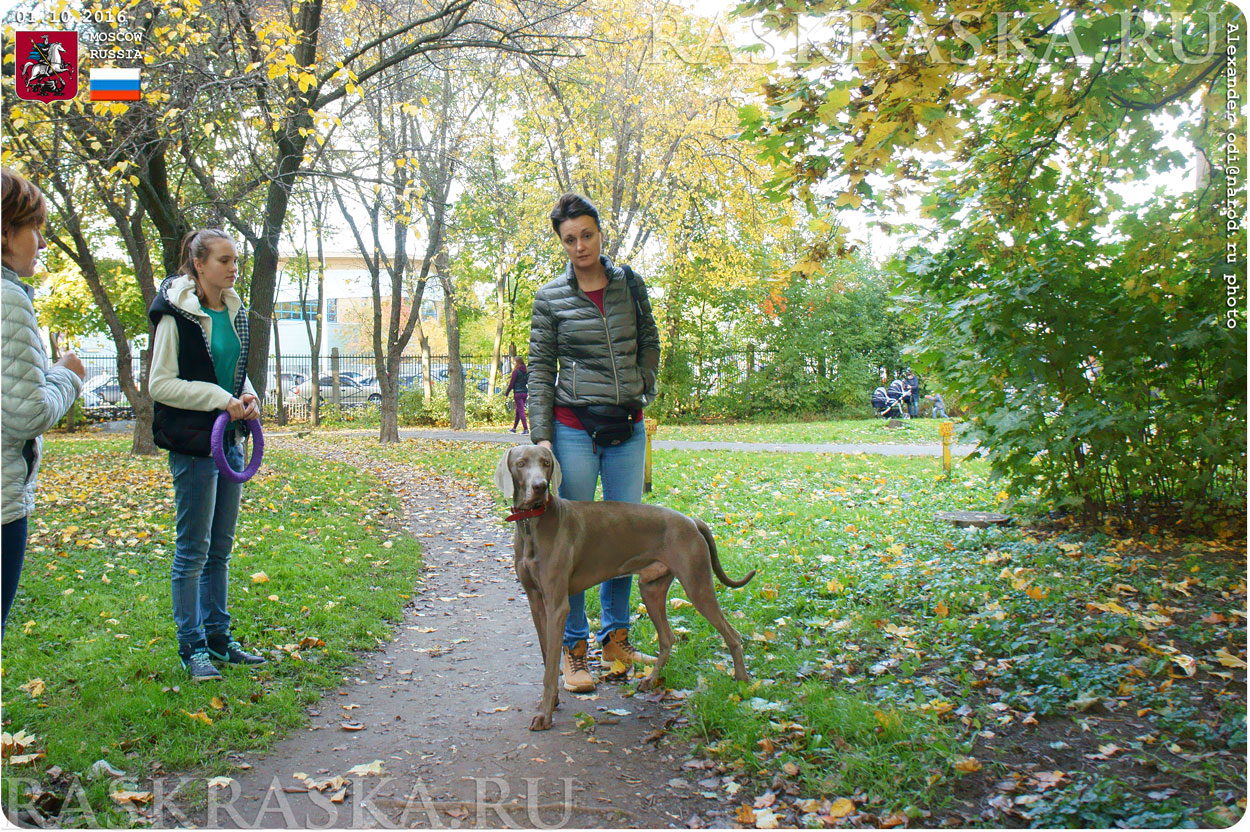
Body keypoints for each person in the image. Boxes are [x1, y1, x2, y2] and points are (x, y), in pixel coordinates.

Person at [528, 193, 661, 693]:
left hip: (626, 426)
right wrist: (543, 434)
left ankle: (616, 640)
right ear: (561, 243)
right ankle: (576, 648)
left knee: (626, 537)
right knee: (572, 542)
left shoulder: (630, 285)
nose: (580, 246)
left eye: (587, 235)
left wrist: (643, 380)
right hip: (573, 427)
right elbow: (540, 369)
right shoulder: (550, 298)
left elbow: (649, 339)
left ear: (601, 233)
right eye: (570, 239)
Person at [148, 228, 266, 681]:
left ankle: (219, 638)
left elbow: (235, 373)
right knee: (192, 551)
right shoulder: (175, 316)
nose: (233, 267)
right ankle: (191, 646)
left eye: (235, 259)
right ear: (199, 264)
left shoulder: (233, 310)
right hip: (194, 445)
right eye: (223, 260)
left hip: (231, 443)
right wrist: (219, 398)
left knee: (220, 550)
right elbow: (161, 385)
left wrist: (248, 396)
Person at [1, 167, 85, 633]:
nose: (42, 242)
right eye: (35, 228)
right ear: (4, 231)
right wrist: (66, 376)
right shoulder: (8, 299)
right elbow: (26, 412)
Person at [503, 357, 529, 434]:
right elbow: (527, 381)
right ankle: (514, 428)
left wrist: (506, 393)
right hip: (524, 392)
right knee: (518, 410)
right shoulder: (525, 371)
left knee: (521, 410)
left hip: (517, 393)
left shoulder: (516, 372)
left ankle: (526, 429)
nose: (513, 364)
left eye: (514, 362)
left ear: (517, 363)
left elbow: (511, 384)